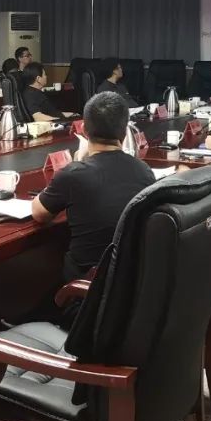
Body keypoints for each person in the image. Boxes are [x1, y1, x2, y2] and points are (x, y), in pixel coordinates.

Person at [33, 91, 155, 285]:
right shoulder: (144, 170)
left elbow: (39, 213)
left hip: (86, 287)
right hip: (129, 285)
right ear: (125, 131)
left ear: (84, 130)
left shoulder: (73, 174)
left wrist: (76, 164)